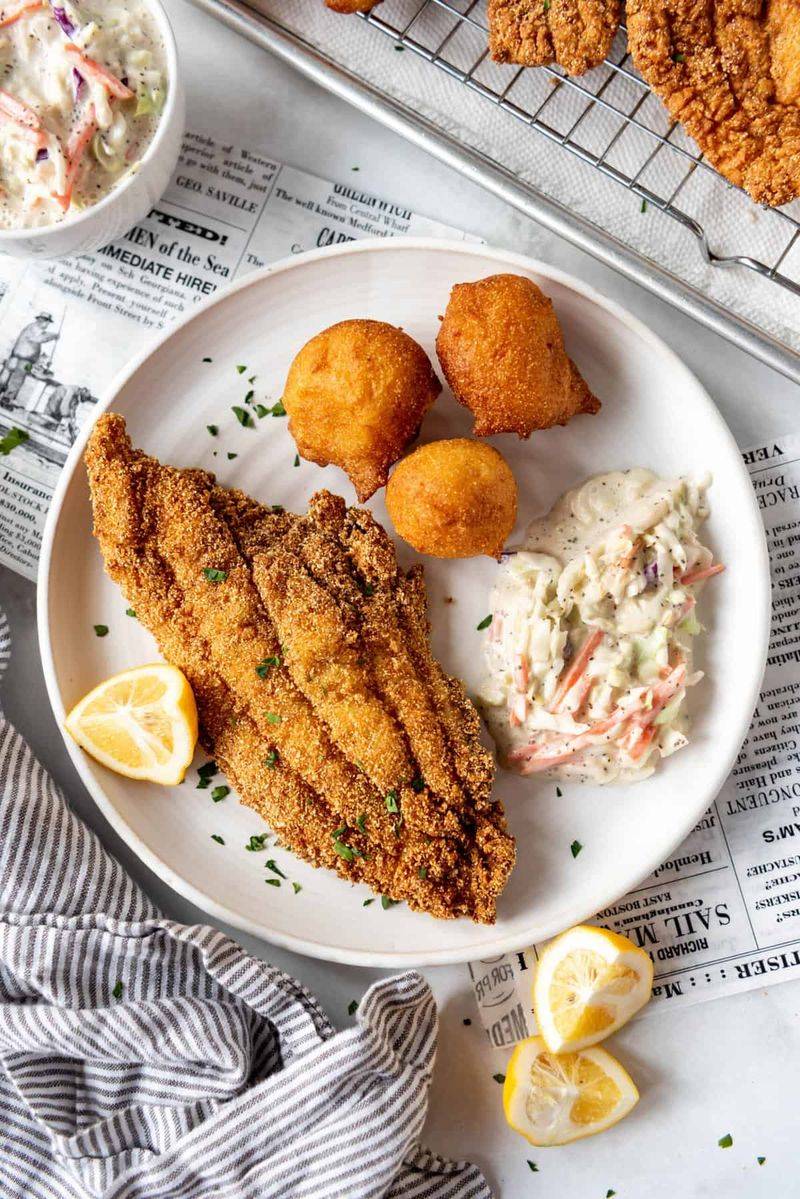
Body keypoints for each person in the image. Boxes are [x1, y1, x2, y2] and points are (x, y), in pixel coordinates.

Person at [0, 314, 58, 409]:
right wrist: (53, 336)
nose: (47, 324)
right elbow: (39, 339)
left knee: (7, 377)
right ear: (41, 320)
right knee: (17, 380)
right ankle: (6, 400)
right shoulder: (35, 328)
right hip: (24, 360)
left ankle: (6, 399)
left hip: (21, 359)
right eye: (47, 322)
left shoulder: (32, 328)